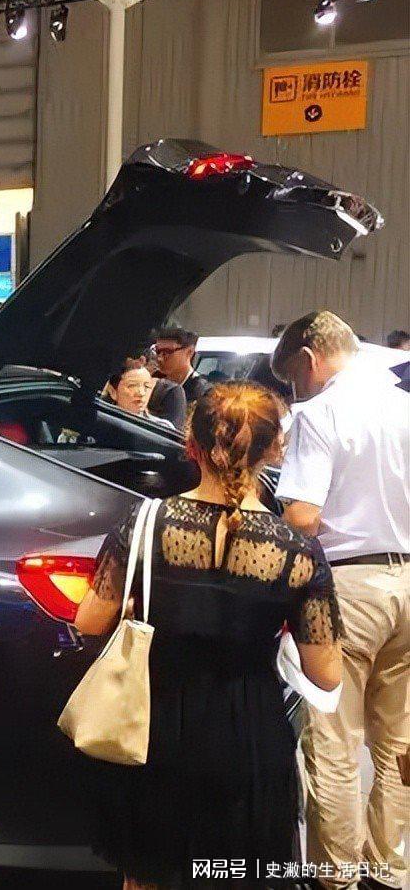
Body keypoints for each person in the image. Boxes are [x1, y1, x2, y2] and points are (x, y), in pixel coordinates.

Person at [74, 381, 342, 889]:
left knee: (148, 874)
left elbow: (88, 621)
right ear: (274, 449)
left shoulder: (146, 523)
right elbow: (326, 675)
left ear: (191, 444)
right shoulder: (298, 552)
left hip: (154, 727)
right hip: (250, 738)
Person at [272, 311, 409, 890]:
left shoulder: (320, 412)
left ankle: (336, 878)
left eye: (293, 379)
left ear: (310, 358)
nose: (296, 392)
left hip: (348, 589)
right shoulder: (404, 404)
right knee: (398, 743)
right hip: (409, 584)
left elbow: (302, 516)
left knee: (333, 741)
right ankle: (390, 870)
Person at [103, 362, 175, 429]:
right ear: (113, 392)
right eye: (132, 386)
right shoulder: (101, 420)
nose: (141, 393)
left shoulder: (163, 427)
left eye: (147, 386)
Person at [152, 327, 211, 405]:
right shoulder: (155, 378)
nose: (159, 358)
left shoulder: (200, 391)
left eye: (167, 352)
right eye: (157, 351)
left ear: (189, 352)